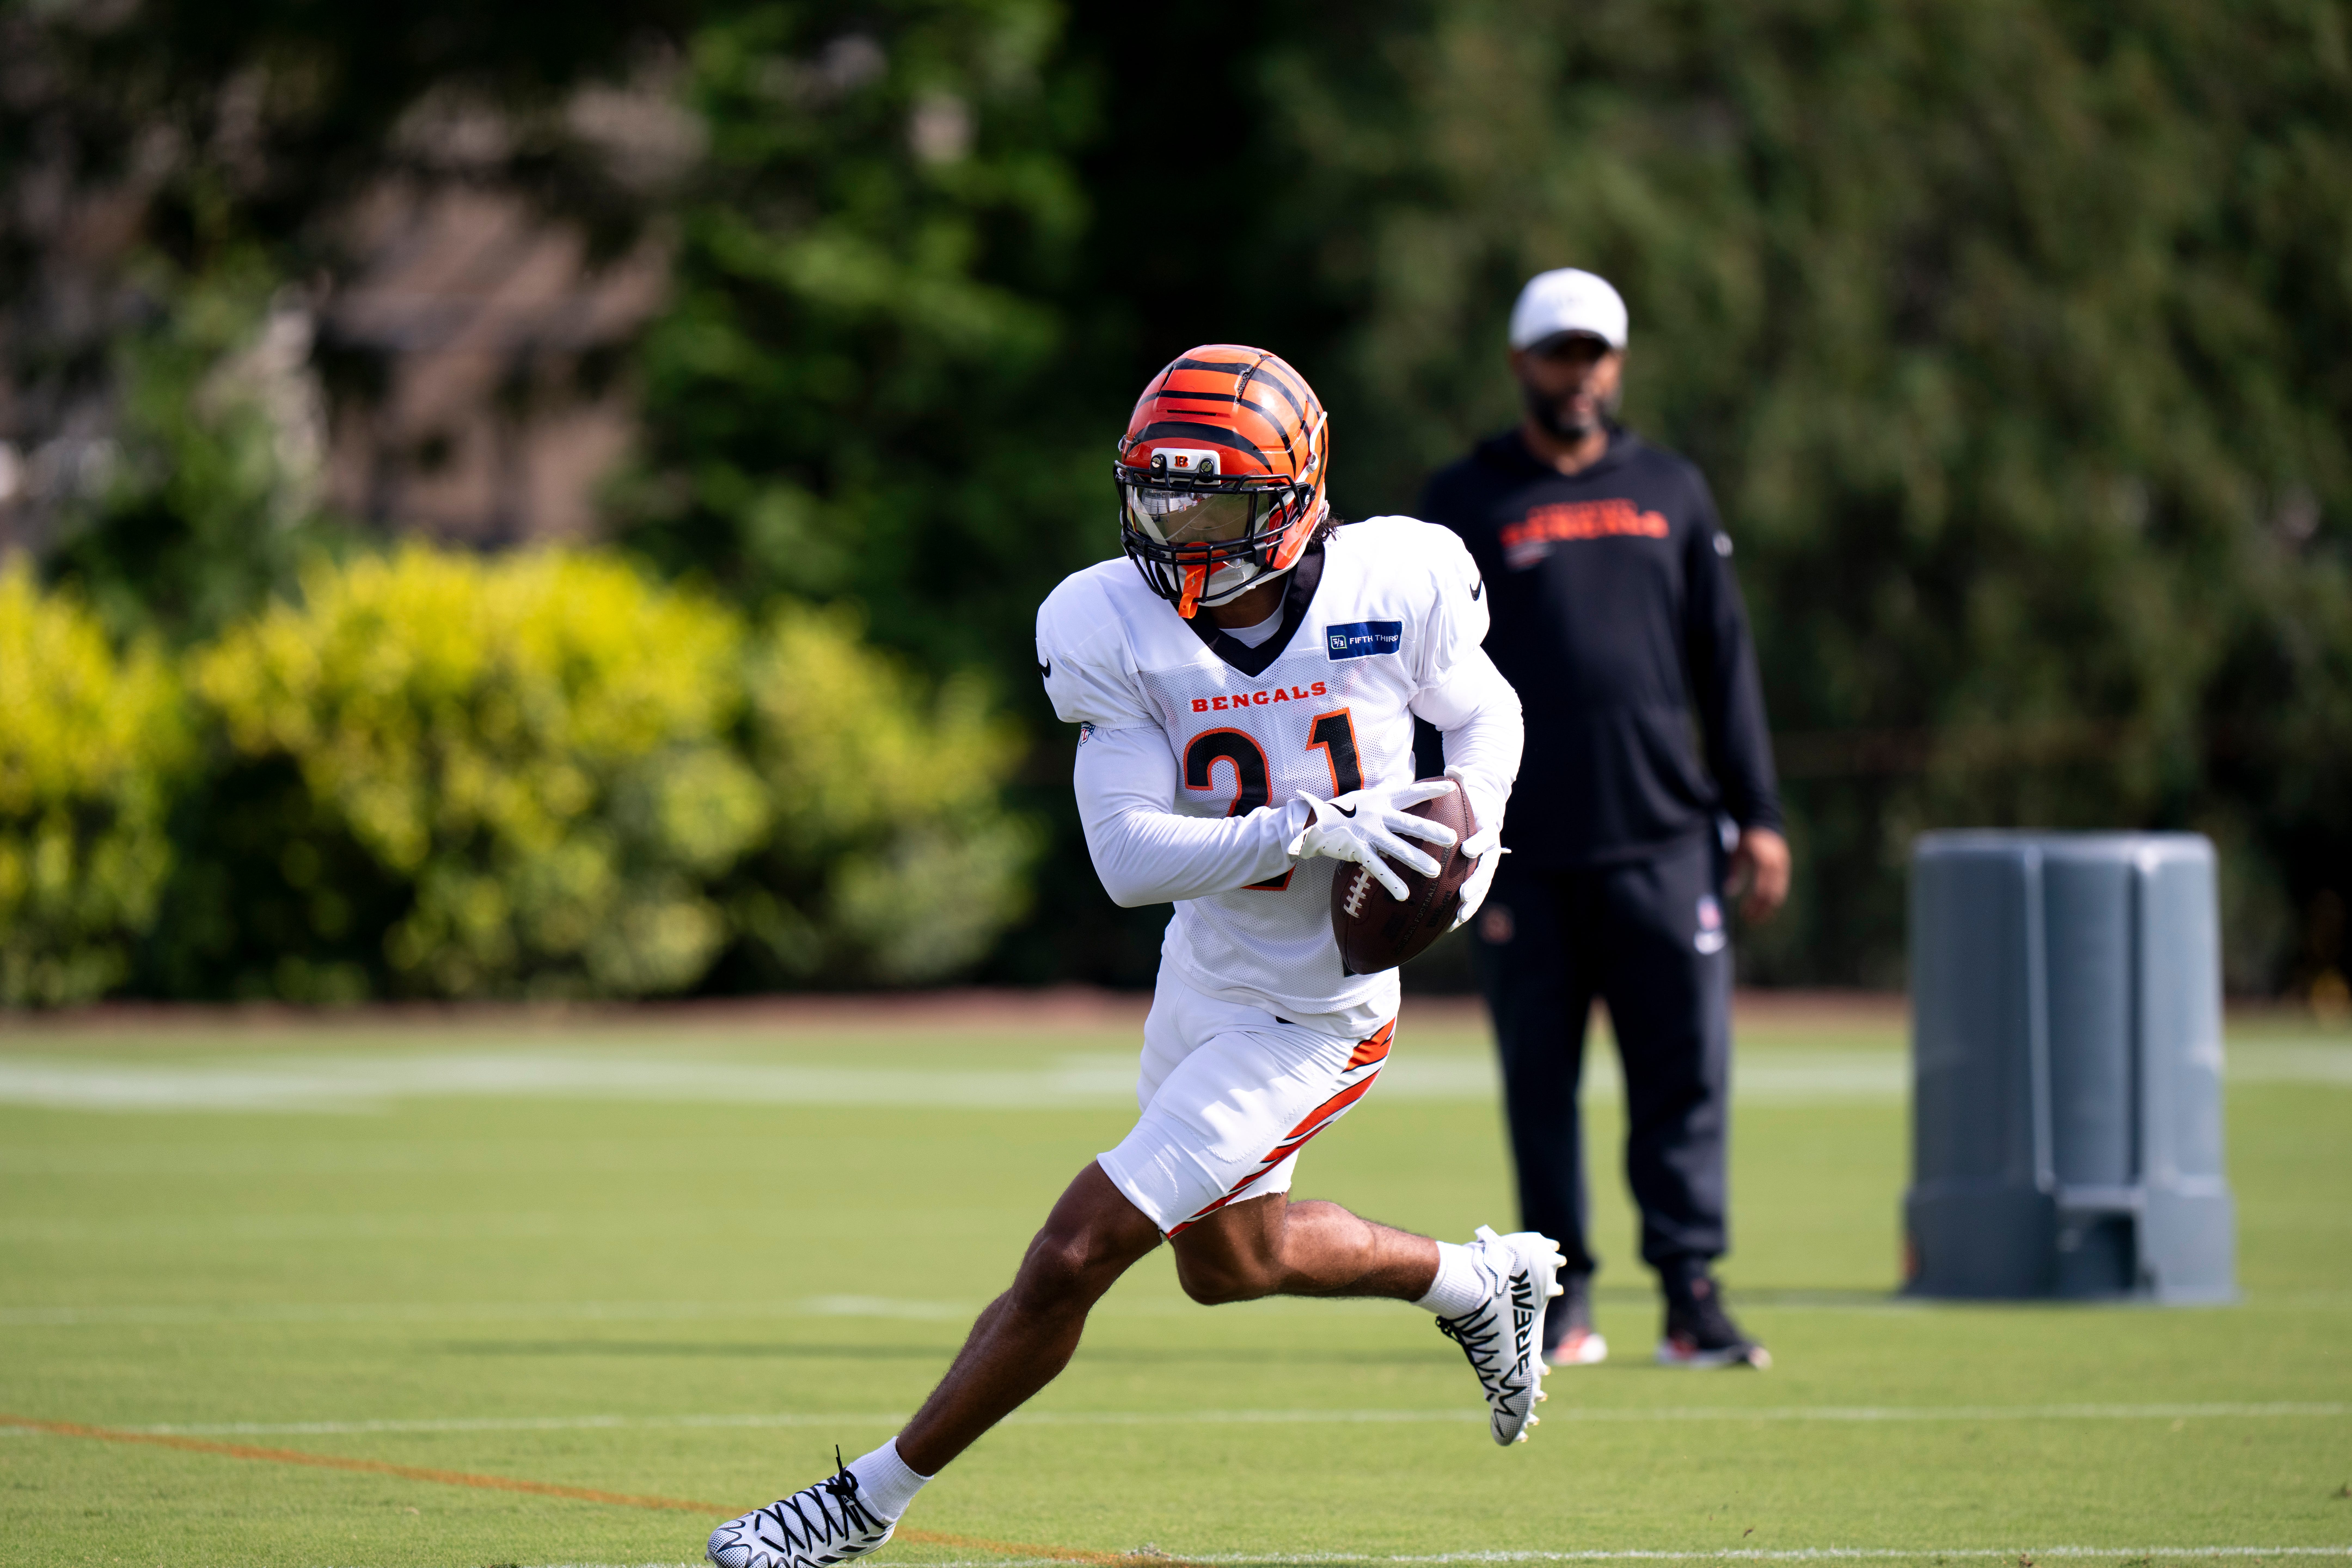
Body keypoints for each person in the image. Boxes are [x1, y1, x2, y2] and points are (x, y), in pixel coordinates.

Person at [707, 345, 1558, 1568]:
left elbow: (1490, 708)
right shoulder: (1107, 620)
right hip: (1204, 972)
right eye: (1160, 496)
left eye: (1211, 503)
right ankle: (1479, 1284)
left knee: (1075, 1253)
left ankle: (860, 1507)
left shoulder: (1400, 577)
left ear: (1296, 500)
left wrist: (1469, 835)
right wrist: (1309, 826)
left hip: (1318, 1011)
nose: (1178, 529)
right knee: (1230, 1265)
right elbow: (1125, 859)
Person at [1415, 269, 1790, 1373]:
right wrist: (1443, 825)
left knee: (1684, 1077)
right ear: (1521, 363)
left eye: (1596, 355)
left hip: (1670, 841)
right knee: (1542, 1083)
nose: (1578, 374)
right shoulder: (1466, 499)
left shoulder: (1672, 488)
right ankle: (1558, 1301)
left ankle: (1694, 1298)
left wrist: (1756, 813)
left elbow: (1725, 661)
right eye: (1558, 353)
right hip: (1522, 853)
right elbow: (1420, 674)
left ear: (1616, 365)